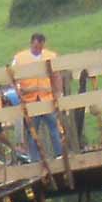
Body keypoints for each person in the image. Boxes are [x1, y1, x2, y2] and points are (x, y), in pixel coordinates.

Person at [10, 31, 63, 160]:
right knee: (32, 131)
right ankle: (35, 159)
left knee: (54, 128)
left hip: (47, 99)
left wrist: (58, 93)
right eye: (36, 47)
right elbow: (13, 78)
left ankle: (59, 154)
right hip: (30, 100)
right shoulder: (19, 58)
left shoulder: (51, 56)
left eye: (40, 47)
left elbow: (57, 76)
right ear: (31, 44)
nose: (38, 49)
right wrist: (18, 93)